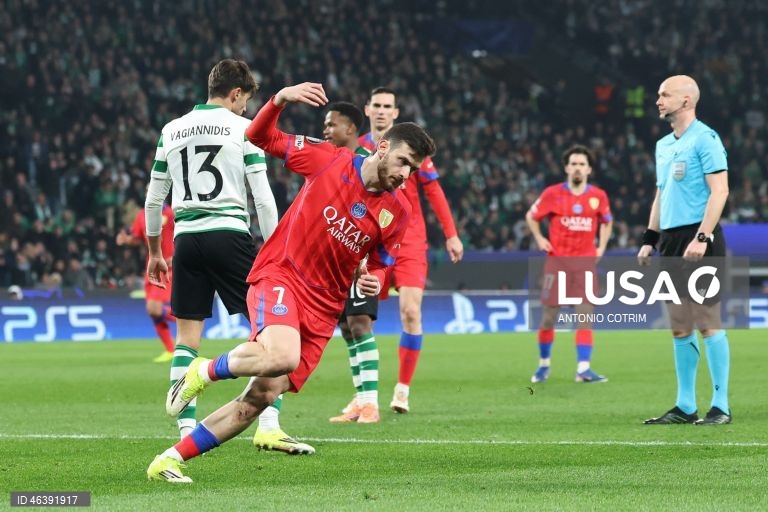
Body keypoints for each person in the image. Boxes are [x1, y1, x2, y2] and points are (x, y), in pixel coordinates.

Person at [147, 82, 435, 483]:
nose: (405, 175)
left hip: (324, 307)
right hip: (283, 276)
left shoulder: (397, 211)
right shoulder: (329, 159)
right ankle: (202, 370)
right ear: (382, 148)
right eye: (404, 162)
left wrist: (376, 279)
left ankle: (169, 460)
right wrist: (279, 100)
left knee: (260, 397)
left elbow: (382, 261)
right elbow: (259, 135)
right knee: (281, 355)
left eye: (414, 170)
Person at [143, 59, 311, 454]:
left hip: (185, 239)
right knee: (271, 330)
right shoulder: (243, 130)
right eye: (245, 102)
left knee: (187, 338)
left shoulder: (172, 129)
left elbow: (154, 199)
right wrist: (276, 251)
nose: (245, 111)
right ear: (235, 94)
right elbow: (263, 198)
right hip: (230, 235)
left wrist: (155, 251)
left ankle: (185, 431)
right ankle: (268, 425)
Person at [357, 87, 463, 414]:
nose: (381, 111)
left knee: (411, 311)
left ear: (396, 112)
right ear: (367, 109)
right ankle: (364, 395)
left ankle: (402, 389)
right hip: (371, 240)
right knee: (361, 320)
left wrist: (451, 234)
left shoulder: (414, 150)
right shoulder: (358, 147)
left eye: (388, 106)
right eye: (377, 105)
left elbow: (434, 192)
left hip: (411, 241)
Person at [638, 75, 731, 425]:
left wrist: (703, 238)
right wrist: (650, 238)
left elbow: (719, 191)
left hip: (699, 238)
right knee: (679, 325)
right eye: (659, 93)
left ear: (687, 100)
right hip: (672, 241)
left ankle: (721, 406)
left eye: (665, 94)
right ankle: (686, 406)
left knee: (707, 320)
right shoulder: (663, 145)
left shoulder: (705, 139)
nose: (659, 100)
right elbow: (662, 193)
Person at [525, 145, 613, 383]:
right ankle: (544, 365)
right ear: (566, 168)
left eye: (582, 164)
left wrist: (601, 247)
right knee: (548, 318)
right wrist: (540, 238)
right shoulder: (552, 193)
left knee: (585, 316)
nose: (577, 168)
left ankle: (583, 369)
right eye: (573, 163)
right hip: (557, 263)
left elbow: (607, 221)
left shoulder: (598, 196)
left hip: (584, 264)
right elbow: (531, 216)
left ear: (589, 169)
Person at [116, 205, 176, 363]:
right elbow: (137, 239)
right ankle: (170, 349)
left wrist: (177, 255)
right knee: (152, 311)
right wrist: (127, 240)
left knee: (154, 308)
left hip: (168, 266)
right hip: (151, 267)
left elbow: (184, 235)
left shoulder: (171, 213)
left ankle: (189, 320)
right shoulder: (142, 215)